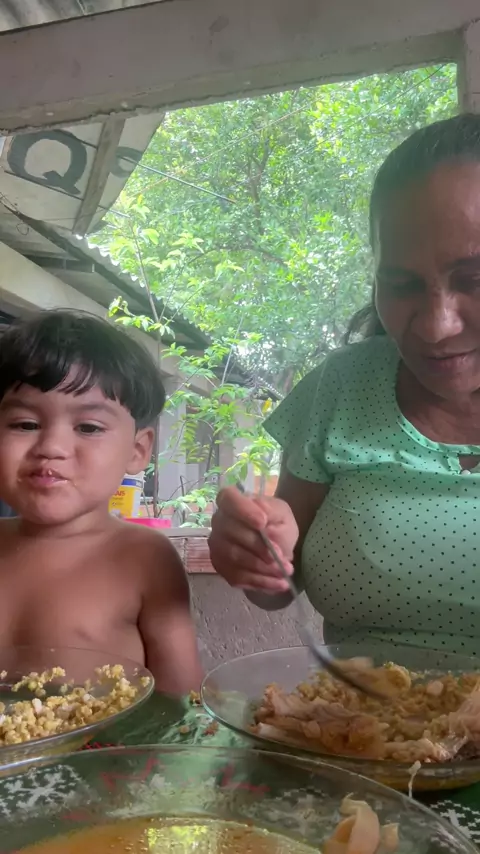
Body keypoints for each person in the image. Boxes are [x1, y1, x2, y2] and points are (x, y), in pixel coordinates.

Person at [209, 112, 480, 656]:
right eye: (401, 284)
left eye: (474, 279)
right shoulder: (343, 387)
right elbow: (280, 587)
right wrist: (257, 551)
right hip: (356, 710)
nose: (436, 326)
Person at [0, 310, 202, 695]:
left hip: (110, 738)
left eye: (88, 427)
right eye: (25, 424)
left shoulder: (144, 557)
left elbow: (181, 701)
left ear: (137, 451)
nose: (51, 447)